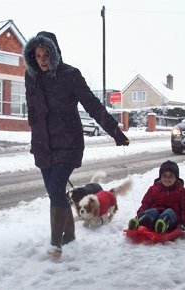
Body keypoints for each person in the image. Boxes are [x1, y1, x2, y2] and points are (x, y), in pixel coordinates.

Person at [23, 31, 129, 257]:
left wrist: (115, 132)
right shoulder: (30, 76)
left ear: (55, 53)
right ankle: (69, 233)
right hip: (43, 145)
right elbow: (32, 107)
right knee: (55, 194)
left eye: (46, 54)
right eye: (37, 55)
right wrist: (34, 127)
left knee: (55, 188)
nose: (42, 60)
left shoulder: (70, 75)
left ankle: (56, 243)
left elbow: (93, 105)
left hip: (68, 143)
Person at [128, 160, 185, 233]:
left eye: (171, 176)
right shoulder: (154, 189)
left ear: (176, 177)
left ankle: (162, 226)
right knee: (151, 211)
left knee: (169, 212)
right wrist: (139, 215)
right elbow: (145, 204)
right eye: (164, 175)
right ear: (160, 177)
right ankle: (139, 222)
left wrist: (183, 222)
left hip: (172, 220)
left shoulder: (182, 192)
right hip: (154, 217)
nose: (167, 179)